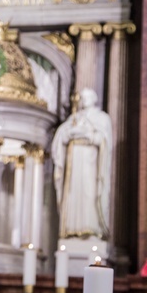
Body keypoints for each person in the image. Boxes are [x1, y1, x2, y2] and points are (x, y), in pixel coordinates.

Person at [52, 88, 113, 239]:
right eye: (82, 97)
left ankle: (91, 227)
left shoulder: (102, 118)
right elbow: (62, 137)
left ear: (94, 98)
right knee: (74, 192)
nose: (83, 100)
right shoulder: (74, 117)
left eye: (86, 97)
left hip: (90, 160)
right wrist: (69, 133)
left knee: (89, 191)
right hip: (74, 161)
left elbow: (104, 140)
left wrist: (87, 134)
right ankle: (72, 229)